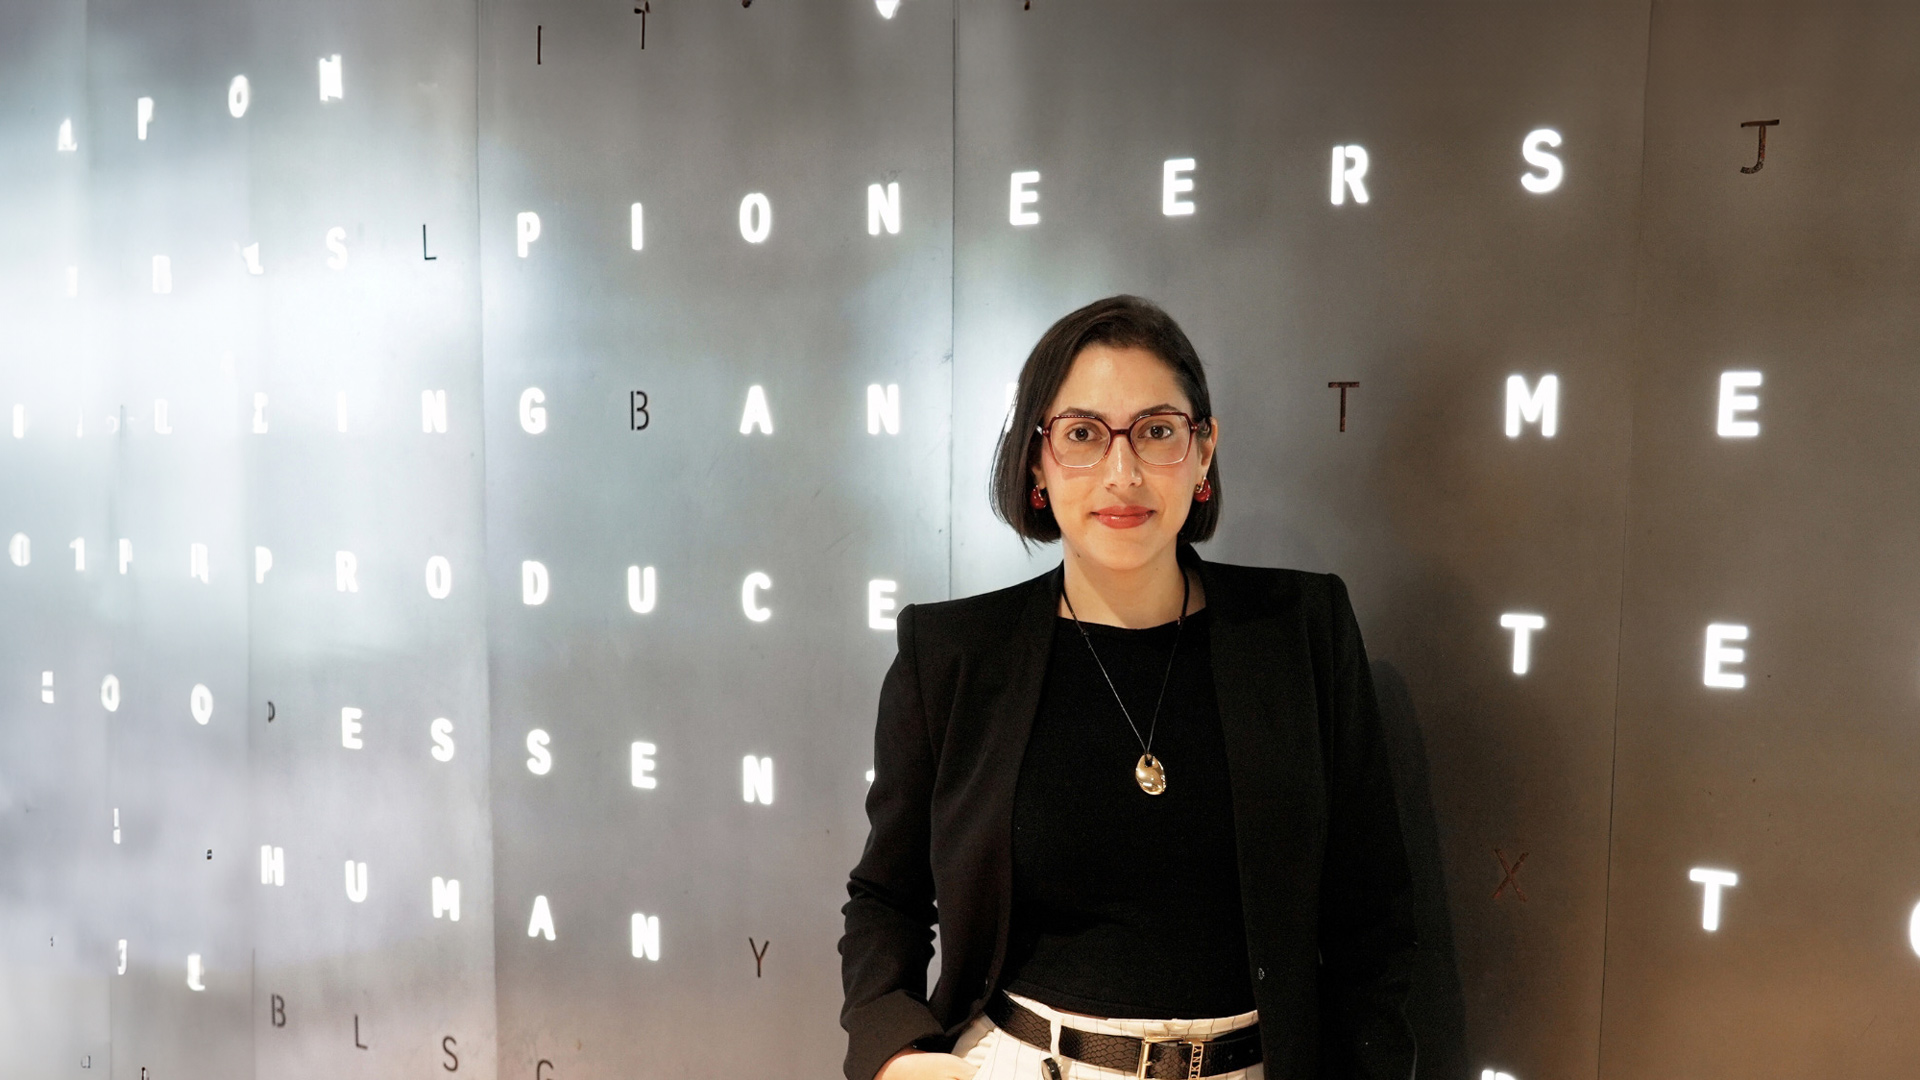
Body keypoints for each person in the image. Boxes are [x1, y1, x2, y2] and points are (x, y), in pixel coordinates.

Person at [839, 295, 1417, 1080]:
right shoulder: (951, 654)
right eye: (1082, 434)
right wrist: (897, 1053)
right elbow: (886, 896)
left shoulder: (1302, 631)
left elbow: (1373, 914)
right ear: (1037, 462)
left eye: (1157, 431)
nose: (1123, 473)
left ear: (1204, 452)